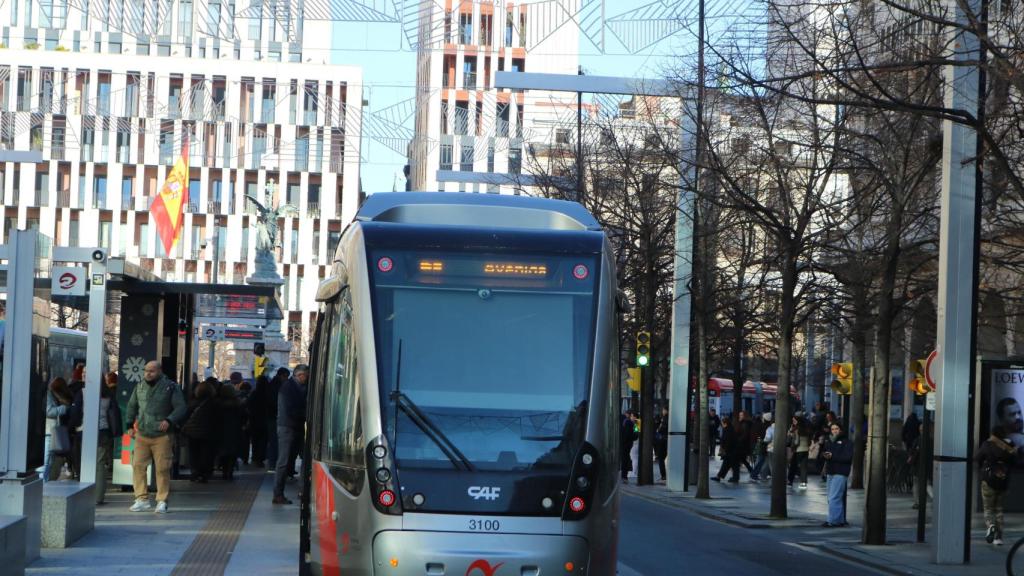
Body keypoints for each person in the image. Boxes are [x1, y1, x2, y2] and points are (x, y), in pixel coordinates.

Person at [125, 361, 187, 514]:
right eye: (146, 370)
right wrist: (128, 426)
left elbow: (181, 407)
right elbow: (131, 406)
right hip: (142, 434)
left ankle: (162, 501)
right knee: (138, 466)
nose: (148, 373)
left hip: (162, 436)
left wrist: (170, 420)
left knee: (162, 468)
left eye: (152, 371)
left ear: (159, 371)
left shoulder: (170, 387)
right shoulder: (139, 386)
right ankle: (141, 499)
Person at [273, 364, 309, 504]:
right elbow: (290, 409)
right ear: (300, 375)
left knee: (305, 459)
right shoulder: (288, 388)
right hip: (287, 427)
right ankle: (278, 494)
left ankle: (303, 490)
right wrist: (306, 415)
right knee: (283, 461)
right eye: (305, 376)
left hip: (296, 427)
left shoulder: (299, 387)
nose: (306, 379)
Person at [977, 425, 1016, 545]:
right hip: (1003, 480)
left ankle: (991, 525)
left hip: (988, 480)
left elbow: (978, 458)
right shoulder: (1008, 446)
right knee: (999, 509)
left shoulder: (987, 444)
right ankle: (998, 537)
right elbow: (1014, 461)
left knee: (988, 508)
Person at [181, 378, 217, 483]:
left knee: (194, 453)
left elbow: (185, 417)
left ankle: (195, 472)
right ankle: (204, 473)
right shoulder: (214, 404)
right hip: (209, 433)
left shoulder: (192, 403)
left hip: (193, 434)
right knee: (207, 454)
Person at [95, 372, 123, 504]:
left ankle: (87, 494)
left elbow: (76, 415)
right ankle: (98, 497)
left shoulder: (83, 393)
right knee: (100, 464)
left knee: (88, 464)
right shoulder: (109, 395)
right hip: (105, 433)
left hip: (85, 433)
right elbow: (114, 414)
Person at [44, 377, 77, 482]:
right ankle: (44, 481)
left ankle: (46, 480)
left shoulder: (52, 395)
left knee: (50, 459)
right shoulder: (49, 395)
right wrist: (64, 408)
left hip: (53, 431)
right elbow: (49, 411)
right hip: (50, 431)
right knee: (48, 459)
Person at [821, 420, 854, 527]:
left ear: (841, 430)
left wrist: (832, 456)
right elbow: (825, 454)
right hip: (831, 471)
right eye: (832, 429)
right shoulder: (829, 441)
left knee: (834, 497)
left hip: (841, 472)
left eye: (836, 429)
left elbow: (847, 457)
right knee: (832, 497)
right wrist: (825, 455)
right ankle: (838, 520)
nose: (834, 431)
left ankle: (833, 520)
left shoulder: (847, 442)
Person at [215, 382, 244, 480]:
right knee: (233, 452)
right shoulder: (238, 403)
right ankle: (230, 471)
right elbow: (243, 417)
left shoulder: (217, 403)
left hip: (221, 429)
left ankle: (224, 470)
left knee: (223, 451)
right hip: (234, 429)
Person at [266, 367, 289, 472]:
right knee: (275, 441)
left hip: (273, 416)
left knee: (274, 441)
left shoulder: (273, 385)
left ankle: (273, 463)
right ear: (281, 375)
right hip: (275, 417)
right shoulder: (277, 386)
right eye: (285, 376)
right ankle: (273, 463)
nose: (286, 379)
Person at [247, 375, 271, 468]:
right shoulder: (268, 393)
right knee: (263, 441)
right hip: (265, 420)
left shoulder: (254, 393)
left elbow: (249, 405)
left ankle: (255, 457)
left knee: (255, 440)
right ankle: (260, 458)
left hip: (254, 420)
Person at [713, 416, 739, 482]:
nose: (721, 424)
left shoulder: (728, 430)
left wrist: (725, 450)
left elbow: (728, 441)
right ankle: (720, 476)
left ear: (725, 423)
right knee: (731, 465)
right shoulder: (729, 429)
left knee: (729, 465)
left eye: (722, 423)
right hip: (732, 450)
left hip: (730, 451)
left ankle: (719, 476)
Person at [788, 415, 811, 488]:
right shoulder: (806, 429)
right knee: (803, 467)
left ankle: (790, 481)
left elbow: (796, 441)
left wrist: (793, 447)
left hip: (798, 450)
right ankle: (803, 482)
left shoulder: (796, 429)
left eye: (794, 420)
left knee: (793, 466)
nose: (793, 421)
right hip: (805, 449)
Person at [619, 410, 638, 483]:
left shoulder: (632, 422)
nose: (631, 417)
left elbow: (635, 434)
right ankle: (629, 473)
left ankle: (629, 474)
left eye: (632, 416)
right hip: (630, 443)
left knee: (631, 457)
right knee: (630, 457)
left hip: (628, 443)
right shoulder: (633, 422)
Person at [654, 407, 668, 482]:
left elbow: (659, 429)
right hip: (664, 440)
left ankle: (663, 475)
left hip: (662, 440)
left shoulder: (637, 421)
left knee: (661, 458)